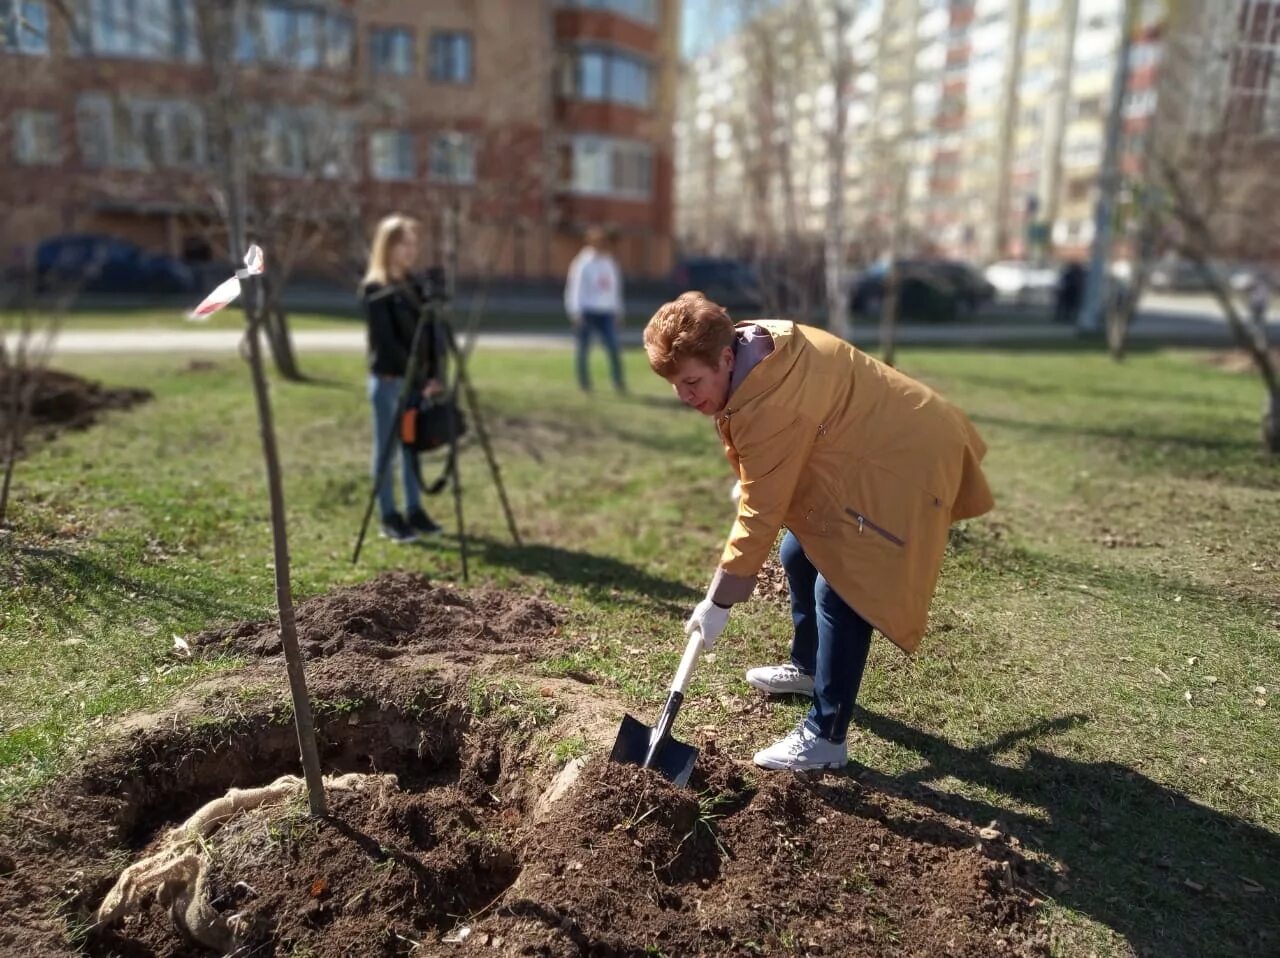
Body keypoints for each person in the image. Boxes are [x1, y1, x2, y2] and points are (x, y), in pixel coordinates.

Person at [644, 292, 994, 771]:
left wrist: (719, 600)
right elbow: (777, 464)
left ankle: (826, 736)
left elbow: (761, 510)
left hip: (911, 462)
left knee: (844, 587)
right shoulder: (754, 344)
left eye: (691, 381)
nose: (685, 397)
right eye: (674, 385)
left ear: (725, 358)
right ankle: (808, 668)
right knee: (797, 551)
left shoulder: (772, 402)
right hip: (877, 440)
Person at [360, 213, 445, 544]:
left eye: (414, 244)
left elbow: (432, 333)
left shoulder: (416, 286)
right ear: (387, 246)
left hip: (416, 382)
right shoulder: (375, 289)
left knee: (412, 447)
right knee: (387, 450)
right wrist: (415, 374)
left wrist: (434, 373)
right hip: (390, 380)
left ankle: (414, 510)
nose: (411, 251)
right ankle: (389, 515)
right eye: (403, 244)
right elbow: (386, 342)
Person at [564, 226, 626, 393]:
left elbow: (615, 288)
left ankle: (618, 382)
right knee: (583, 349)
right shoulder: (583, 263)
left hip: (606, 311)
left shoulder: (609, 262)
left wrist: (618, 310)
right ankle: (584, 383)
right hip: (587, 311)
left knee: (613, 347)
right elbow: (574, 288)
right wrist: (575, 311)